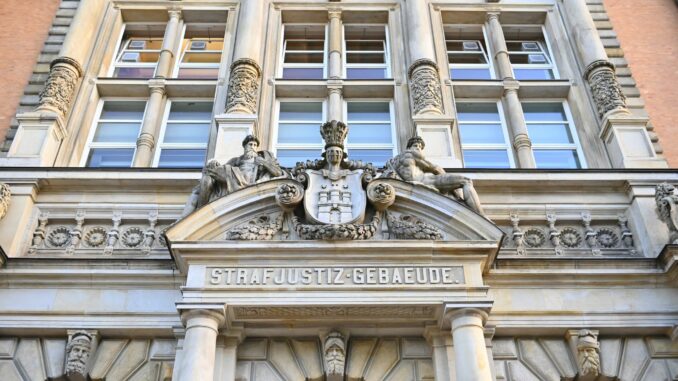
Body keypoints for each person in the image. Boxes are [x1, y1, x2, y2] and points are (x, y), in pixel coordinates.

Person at [182, 135, 284, 215]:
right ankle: (200, 210)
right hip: (234, 180)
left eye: (254, 145)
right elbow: (222, 169)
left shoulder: (263, 159)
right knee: (207, 178)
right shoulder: (236, 160)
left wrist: (264, 162)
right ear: (245, 147)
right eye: (250, 144)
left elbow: (278, 173)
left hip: (249, 185)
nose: (252, 147)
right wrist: (214, 164)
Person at [385, 136, 484, 214]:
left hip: (414, 183)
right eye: (416, 145)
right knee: (466, 181)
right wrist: (455, 193)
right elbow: (436, 169)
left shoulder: (394, 160)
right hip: (426, 181)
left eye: (420, 147)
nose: (418, 148)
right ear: (409, 147)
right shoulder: (412, 153)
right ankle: (481, 217)